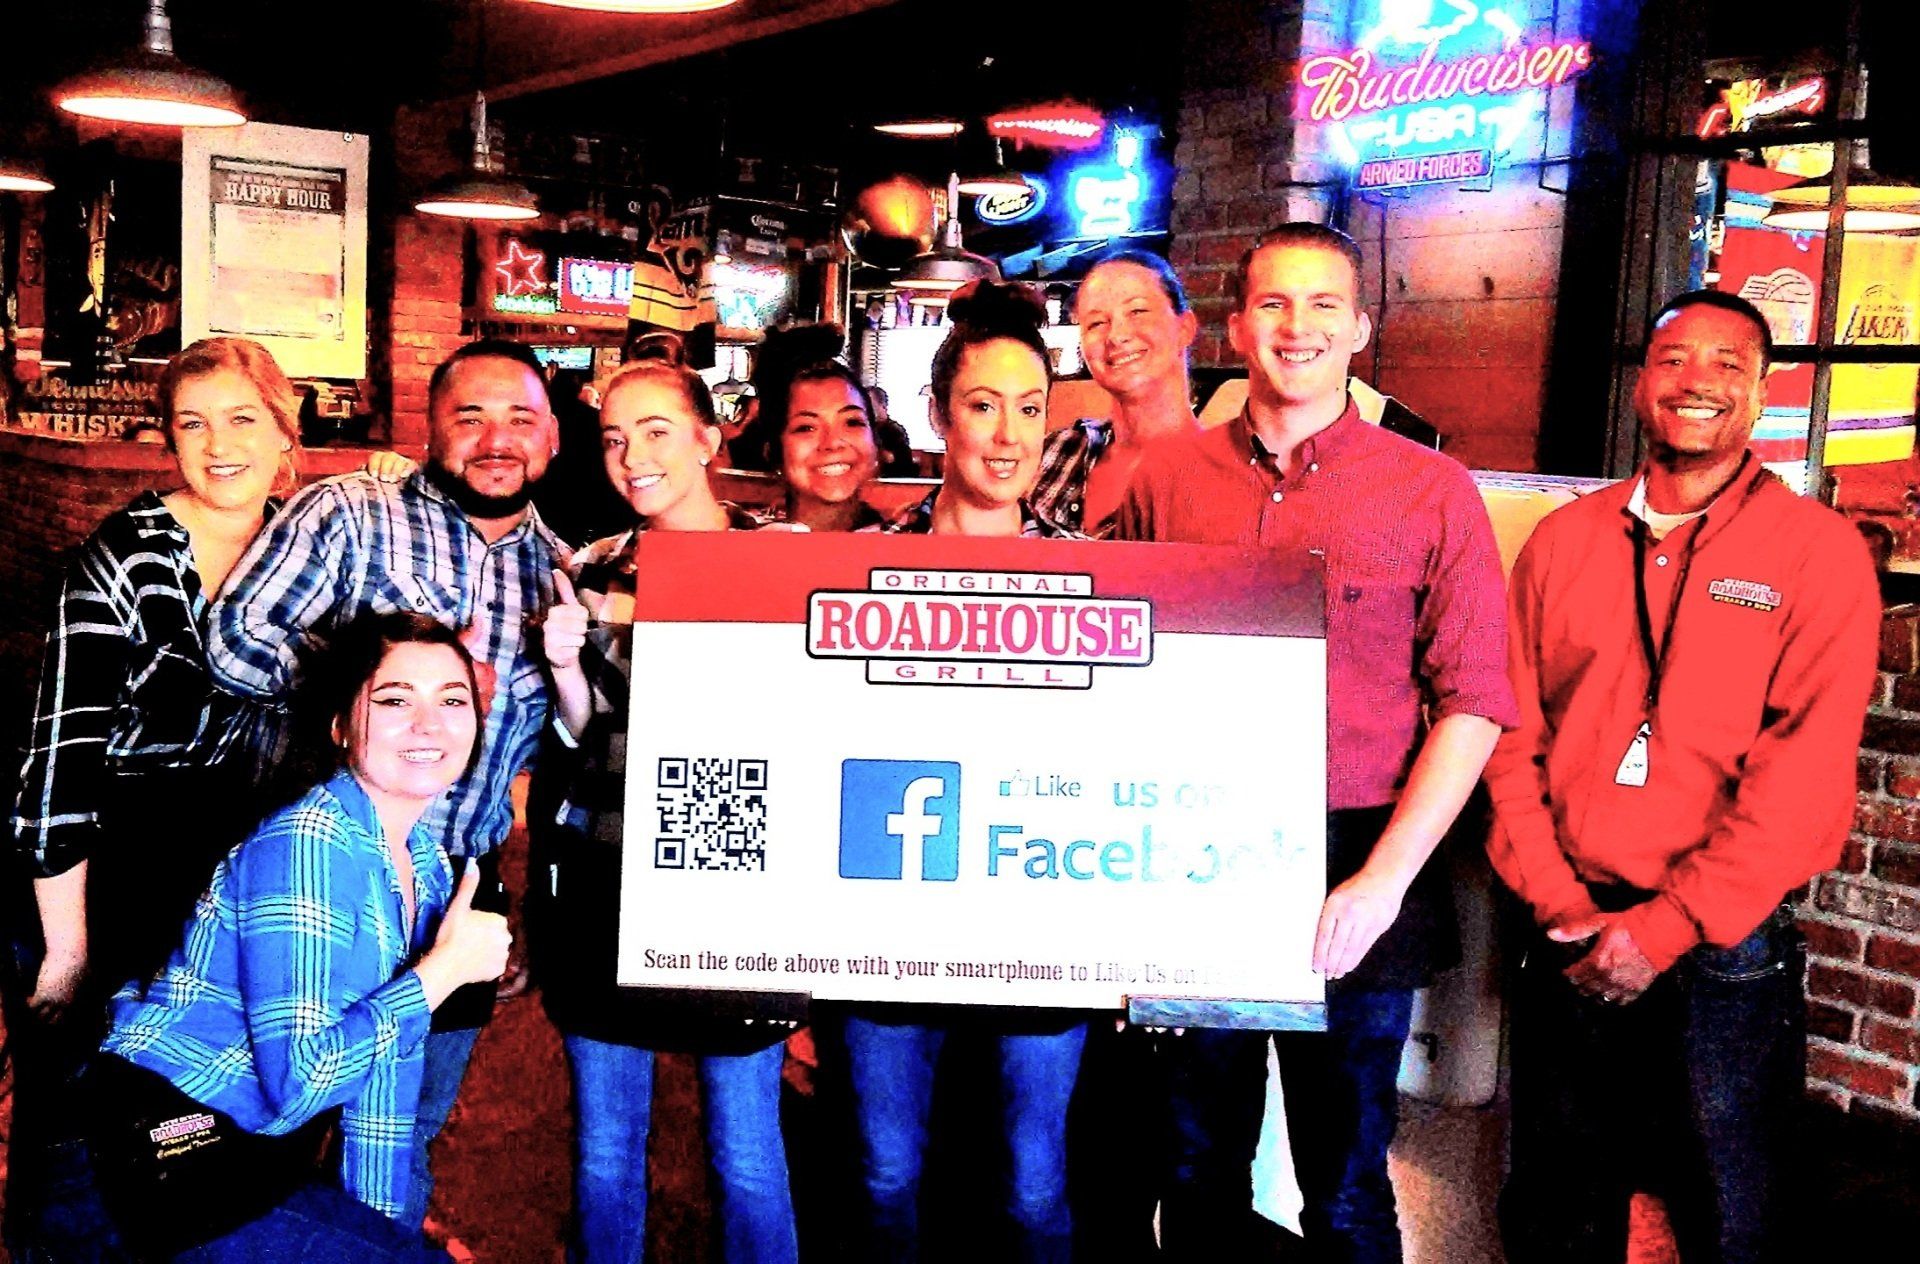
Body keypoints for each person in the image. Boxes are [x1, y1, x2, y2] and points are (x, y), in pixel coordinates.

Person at [1115, 222, 1516, 1261]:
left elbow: (1473, 701)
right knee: (1196, 1166)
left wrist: (1382, 882)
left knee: (1344, 1186)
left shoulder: (1432, 489)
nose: (1298, 327)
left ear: (1361, 327)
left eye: (1324, 305)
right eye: (1275, 304)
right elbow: (1122, 674)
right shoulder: (1166, 480)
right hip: (1193, 856)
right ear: (1241, 324)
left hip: (1361, 857)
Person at [1482, 290, 1880, 1264]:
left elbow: (1806, 773)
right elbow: (1504, 735)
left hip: (1723, 951)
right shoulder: (1564, 542)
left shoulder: (1817, 554)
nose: (1695, 380)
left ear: (1760, 393)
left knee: (1730, 1221)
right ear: (1643, 379)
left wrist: (1660, 930)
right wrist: (1559, 901)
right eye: (1673, 359)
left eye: (1725, 363)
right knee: (1551, 1211)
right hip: (1567, 934)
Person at [206, 338, 565, 1229]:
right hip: (318, 880)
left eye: (519, 419)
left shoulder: (559, 572)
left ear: (552, 438)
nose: (495, 439)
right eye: (469, 417)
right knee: (263, 1131)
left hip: (453, 888)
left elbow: (548, 753)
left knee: (401, 1141)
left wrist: (512, 916)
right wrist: (375, 683)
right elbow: (235, 640)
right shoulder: (350, 514)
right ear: (428, 427)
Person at [4, 336, 304, 1260]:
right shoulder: (124, 561)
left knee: (212, 1116)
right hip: (114, 870)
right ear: (166, 440)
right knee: (85, 1124)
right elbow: (58, 761)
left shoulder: (304, 540)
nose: (220, 444)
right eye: (192, 423)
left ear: (286, 432)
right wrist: (65, 952)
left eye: (243, 418)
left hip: (243, 876)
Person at [88, 613, 511, 1261]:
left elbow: (382, 1087)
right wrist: (443, 972)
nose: (430, 723)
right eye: (395, 699)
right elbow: (301, 1082)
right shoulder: (311, 841)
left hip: (248, 1160)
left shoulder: (423, 865)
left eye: (453, 700)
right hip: (148, 1155)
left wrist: (380, 1233)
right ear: (340, 726)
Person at [530, 350, 795, 1263]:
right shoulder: (594, 566)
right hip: (610, 875)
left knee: (747, 1152)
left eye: (655, 432)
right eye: (613, 438)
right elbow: (585, 734)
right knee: (606, 1152)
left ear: (709, 440)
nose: (632, 456)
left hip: (738, 880)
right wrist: (565, 667)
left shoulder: (782, 557)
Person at [842, 280, 1085, 1264]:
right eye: (984, 406)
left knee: (1033, 1189)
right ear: (940, 416)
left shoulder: (1095, 575)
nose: (1008, 435)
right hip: (885, 916)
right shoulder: (858, 565)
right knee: (886, 1175)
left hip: (1043, 921)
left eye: (1031, 410)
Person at [1033, 248, 1201, 538]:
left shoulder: (1221, 476)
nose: (1116, 335)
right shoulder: (1058, 450)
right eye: (1097, 323)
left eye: (1137, 311)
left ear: (1185, 328)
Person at [761, 359, 887, 532]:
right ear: (775, 451)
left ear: (875, 444)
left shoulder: (905, 546)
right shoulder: (745, 544)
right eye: (806, 428)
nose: (833, 443)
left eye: (852, 422)